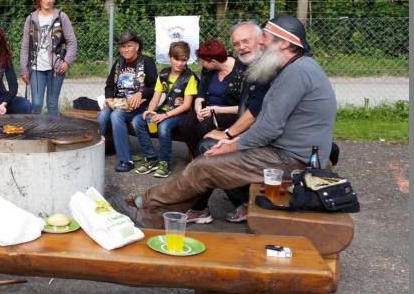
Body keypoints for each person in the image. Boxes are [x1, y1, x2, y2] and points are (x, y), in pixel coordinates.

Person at [126, 16, 336, 228]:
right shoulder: (296, 67)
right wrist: (231, 140)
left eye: (265, 37)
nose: (261, 41)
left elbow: (268, 127)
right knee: (206, 160)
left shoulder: (296, 72)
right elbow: (267, 123)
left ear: (283, 43)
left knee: (204, 167)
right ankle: (153, 213)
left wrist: (231, 143)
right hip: (285, 151)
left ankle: (146, 204)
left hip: (293, 159)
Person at [183, 22, 271, 224]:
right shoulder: (256, 67)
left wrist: (228, 134)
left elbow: (253, 112)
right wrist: (199, 105)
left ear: (262, 40)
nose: (241, 47)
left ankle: (202, 205)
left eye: (245, 41)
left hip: (266, 136)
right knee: (193, 129)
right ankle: (201, 203)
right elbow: (250, 109)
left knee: (210, 148)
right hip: (253, 129)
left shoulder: (261, 70)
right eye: (236, 44)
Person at [131, 41, 198, 178]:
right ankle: (151, 158)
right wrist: (149, 111)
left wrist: (165, 115)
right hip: (165, 110)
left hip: (181, 114)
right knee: (138, 120)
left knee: (163, 127)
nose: (179, 63)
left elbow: (186, 105)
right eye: (176, 59)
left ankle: (164, 162)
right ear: (170, 57)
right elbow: (156, 97)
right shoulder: (163, 74)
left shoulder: (189, 77)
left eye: (183, 60)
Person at [97, 28, 157, 172]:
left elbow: (155, 86)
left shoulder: (146, 61)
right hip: (120, 103)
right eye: (122, 46)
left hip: (139, 106)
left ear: (137, 46)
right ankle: (93, 151)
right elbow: (109, 84)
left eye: (129, 46)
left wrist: (141, 93)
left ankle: (126, 160)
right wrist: (109, 98)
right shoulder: (119, 63)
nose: (126, 49)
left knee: (116, 115)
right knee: (103, 115)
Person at [177, 38, 243, 159]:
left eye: (202, 61)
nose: (201, 64)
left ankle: (207, 158)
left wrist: (217, 110)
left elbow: (245, 107)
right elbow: (201, 94)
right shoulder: (208, 70)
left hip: (229, 112)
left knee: (204, 126)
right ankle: (196, 156)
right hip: (207, 109)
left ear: (213, 61)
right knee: (185, 123)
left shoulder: (242, 71)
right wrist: (198, 109)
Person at [19, 0, 77, 115]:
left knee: (52, 104)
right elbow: (25, 46)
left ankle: (52, 129)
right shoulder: (31, 19)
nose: (48, 0)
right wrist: (24, 69)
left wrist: (67, 61)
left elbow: (72, 41)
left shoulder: (61, 17)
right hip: (36, 68)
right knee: (36, 104)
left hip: (56, 68)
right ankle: (36, 128)